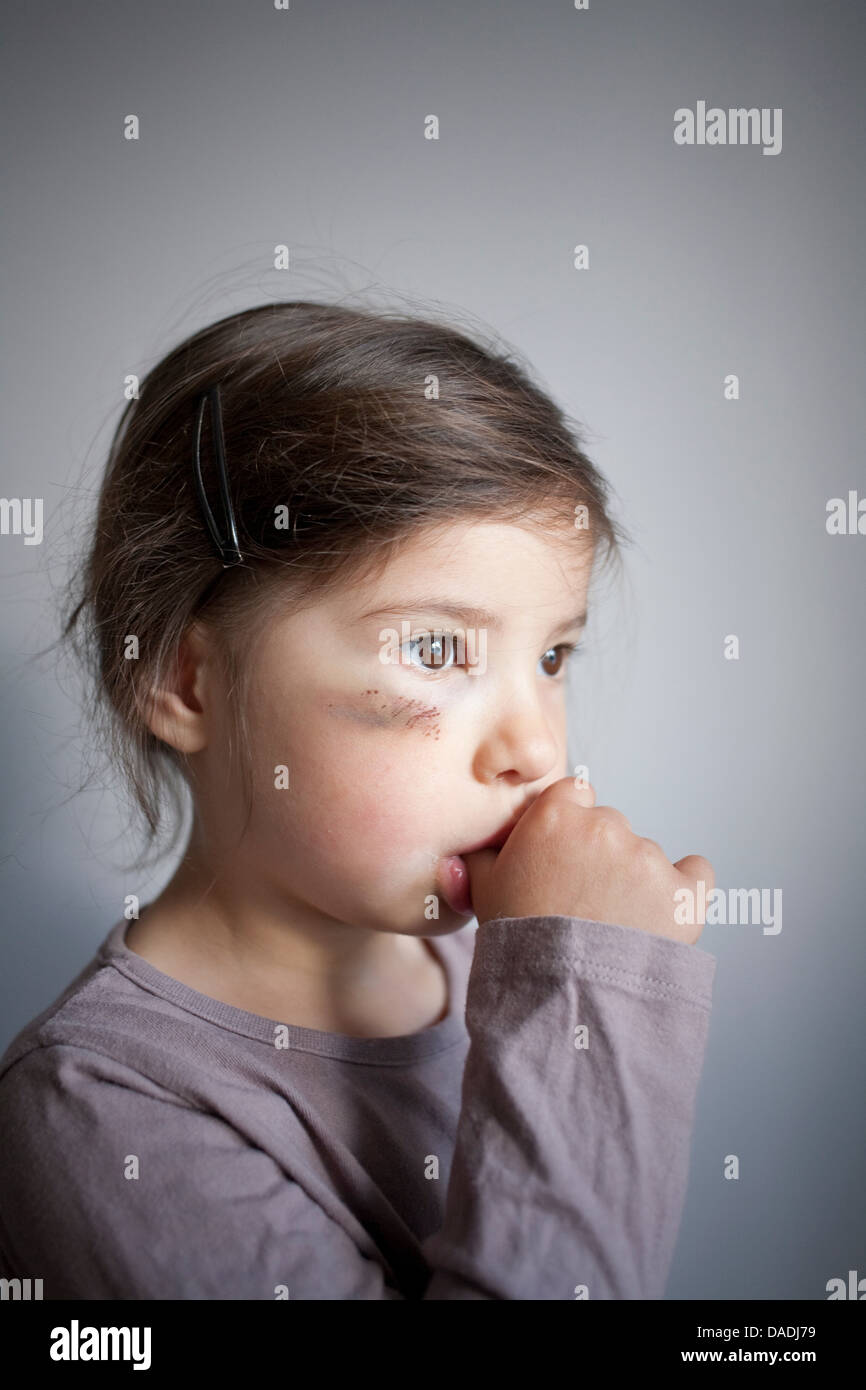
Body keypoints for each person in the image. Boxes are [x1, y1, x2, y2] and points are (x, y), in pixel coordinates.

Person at [0, 300, 716, 1299]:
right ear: (185, 680)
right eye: (434, 649)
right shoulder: (100, 1107)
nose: (537, 747)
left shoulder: (490, 955)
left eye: (551, 655)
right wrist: (584, 992)